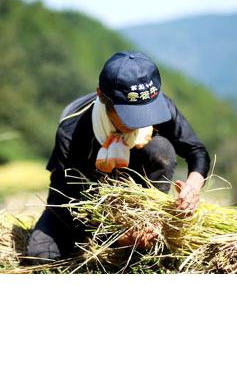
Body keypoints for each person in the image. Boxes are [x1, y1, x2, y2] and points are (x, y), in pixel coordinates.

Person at [26, 51, 210, 262]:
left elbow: (196, 150)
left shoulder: (159, 106)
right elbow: (67, 200)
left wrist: (193, 186)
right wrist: (116, 236)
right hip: (83, 201)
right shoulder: (72, 130)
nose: (142, 122)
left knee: (160, 149)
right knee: (41, 254)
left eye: (147, 111)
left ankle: (151, 223)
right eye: (131, 115)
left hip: (138, 203)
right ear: (102, 96)